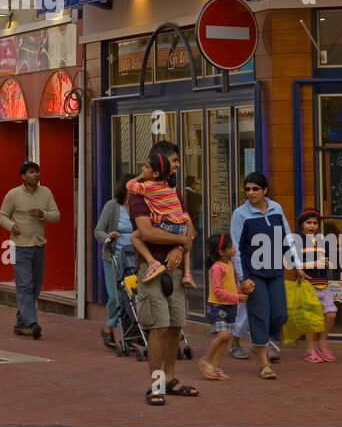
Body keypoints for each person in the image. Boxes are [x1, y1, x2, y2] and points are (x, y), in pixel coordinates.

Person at [128, 142, 197, 404]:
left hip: (176, 269)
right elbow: (146, 232)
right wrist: (177, 241)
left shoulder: (173, 190)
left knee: (175, 325)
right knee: (158, 327)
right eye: (174, 160)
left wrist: (181, 245)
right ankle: (155, 385)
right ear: (160, 164)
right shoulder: (139, 195)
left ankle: (170, 379)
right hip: (152, 268)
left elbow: (189, 228)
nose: (177, 165)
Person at [230, 171, 302, 380]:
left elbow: (287, 237)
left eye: (255, 189)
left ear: (265, 190)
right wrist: (242, 278)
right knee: (259, 314)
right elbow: (236, 246)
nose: (251, 193)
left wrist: (296, 265)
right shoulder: (240, 214)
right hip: (253, 273)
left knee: (280, 314)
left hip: (275, 270)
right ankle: (264, 363)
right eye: (248, 189)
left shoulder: (276, 208)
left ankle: (263, 342)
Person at [0, 161, 60, 339]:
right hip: (18, 246)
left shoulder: (46, 193)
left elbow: (56, 215)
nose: (36, 175)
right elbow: (1, 215)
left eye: (37, 172)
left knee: (36, 286)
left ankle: (21, 323)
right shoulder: (13, 194)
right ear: (23, 176)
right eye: (32, 172)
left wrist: (43, 215)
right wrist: (12, 226)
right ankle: (32, 322)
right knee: (24, 284)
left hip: (39, 245)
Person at [126, 160, 196, 288]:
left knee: (135, 236)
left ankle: (152, 263)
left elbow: (129, 185)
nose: (142, 168)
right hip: (181, 225)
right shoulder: (170, 186)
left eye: (146, 167)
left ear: (156, 173)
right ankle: (187, 274)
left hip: (167, 225)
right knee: (186, 240)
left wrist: (140, 177)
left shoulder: (148, 187)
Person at [200, 233, 248, 380]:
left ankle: (215, 367)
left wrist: (242, 291)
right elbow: (217, 290)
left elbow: (230, 286)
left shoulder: (229, 264)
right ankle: (206, 360)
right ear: (222, 251)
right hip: (217, 307)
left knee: (226, 339)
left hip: (230, 307)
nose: (234, 248)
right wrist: (236, 297)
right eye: (231, 246)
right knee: (224, 335)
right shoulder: (217, 268)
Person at [94, 182, 133, 349]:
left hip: (133, 258)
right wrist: (109, 237)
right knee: (115, 296)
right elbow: (98, 231)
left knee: (131, 297)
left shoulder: (139, 207)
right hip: (113, 258)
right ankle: (109, 327)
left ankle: (131, 333)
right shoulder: (112, 206)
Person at [297, 209, 337, 362]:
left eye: (315, 223)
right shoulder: (297, 241)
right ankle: (310, 349)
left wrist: (327, 263)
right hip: (307, 285)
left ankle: (322, 343)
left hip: (323, 284)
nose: (312, 226)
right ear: (302, 225)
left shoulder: (322, 241)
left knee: (331, 313)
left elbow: (328, 260)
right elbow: (292, 263)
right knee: (311, 318)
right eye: (309, 223)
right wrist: (314, 263)